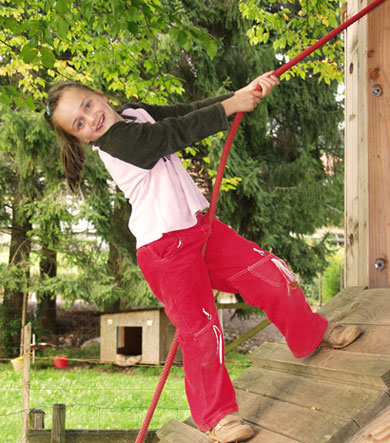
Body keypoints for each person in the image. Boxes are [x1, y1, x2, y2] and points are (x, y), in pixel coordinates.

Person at [45, 73, 362, 443]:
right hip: (165, 250)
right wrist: (232, 106)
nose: (91, 117)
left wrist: (241, 94)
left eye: (87, 104)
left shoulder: (134, 114)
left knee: (269, 271)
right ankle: (217, 418)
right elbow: (172, 134)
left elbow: (186, 111)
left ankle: (309, 333)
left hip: (201, 229)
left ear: (97, 92)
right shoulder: (118, 142)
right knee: (202, 331)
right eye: (79, 124)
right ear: (80, 139)